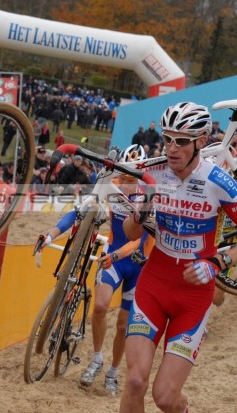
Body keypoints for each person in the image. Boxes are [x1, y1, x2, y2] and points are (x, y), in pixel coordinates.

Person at [120, 102, 237, 413]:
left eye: (182, 141)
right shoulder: (153, 172)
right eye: (167, 139)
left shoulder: (218, 181)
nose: (172, 148)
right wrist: (141, 209)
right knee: (135, 382)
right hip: (154, 283)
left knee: (165, 398)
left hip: (193, 296)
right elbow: (132, 233)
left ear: (201, 142)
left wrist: (217, 263)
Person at [77, 144, 152, 396]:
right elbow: (93, 204)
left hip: (136, 262)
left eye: (132, 175)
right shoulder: (114, 186)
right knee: (100, 307)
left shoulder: (147, 195)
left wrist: (115, 254)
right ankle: (97, 359)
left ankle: (113, 372)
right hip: (113, 253)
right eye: (124, 174)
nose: (126, 180)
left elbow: (138, 241)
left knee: (123, 325)